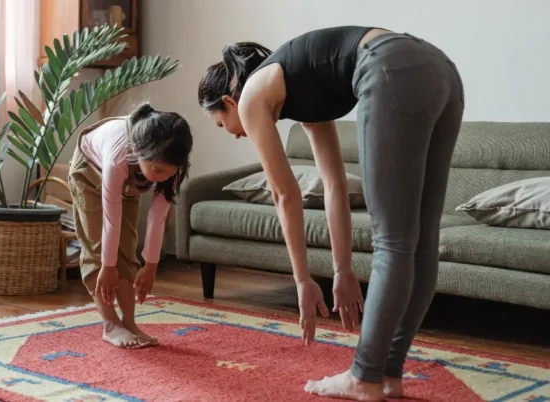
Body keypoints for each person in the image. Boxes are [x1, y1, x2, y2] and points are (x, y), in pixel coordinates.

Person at [198, 26, 464, 400]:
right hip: (440, 70)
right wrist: (341, 271)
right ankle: (388, 373)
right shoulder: (304, 87)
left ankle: (364, 376)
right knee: (420, 242)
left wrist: (303, 280)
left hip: (390, 66)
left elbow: (284, 195)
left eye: (222, 125)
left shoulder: (251, 96)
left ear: (229, 101)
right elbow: (333, 184)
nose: (235, 133)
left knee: (392, 240)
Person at [68, 102, 193, 349]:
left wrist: (151, 266)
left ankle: (129, 322)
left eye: (170, 172)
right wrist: (107, 266)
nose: (164, 177)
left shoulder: (171, 165)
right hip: (90, 172)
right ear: (138, 151)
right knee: (98, 247)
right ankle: (111, 325)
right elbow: (110, 221)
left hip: (129, 179)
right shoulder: (119, 157)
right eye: (157, 170)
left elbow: (158, 219)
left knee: (127, 248)